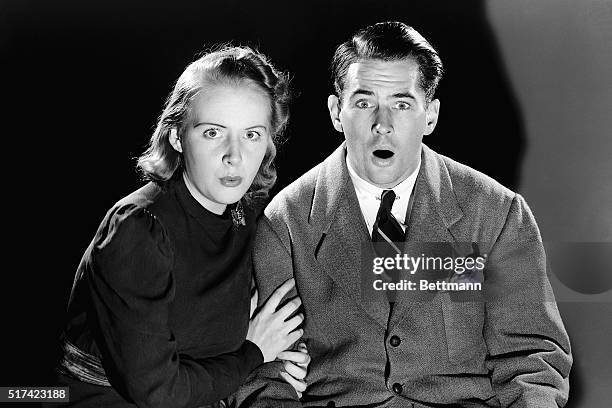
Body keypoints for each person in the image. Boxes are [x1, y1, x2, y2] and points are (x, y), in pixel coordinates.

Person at [233, 22, 572, 407]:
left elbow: (532, 359)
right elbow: (267, 378)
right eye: (364, 103)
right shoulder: (285, 223)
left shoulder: (497, 212)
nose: (382, 125)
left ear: (430, 116)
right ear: (335, 113)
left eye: (401, 103)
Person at [53, 46, 310, 408]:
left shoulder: (247, 211)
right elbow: (158, 392)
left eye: (251, 134)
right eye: (212, 133)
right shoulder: (139, 229)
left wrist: (285, 358)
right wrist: (254, 354)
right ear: (177, 136)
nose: (234, 155)